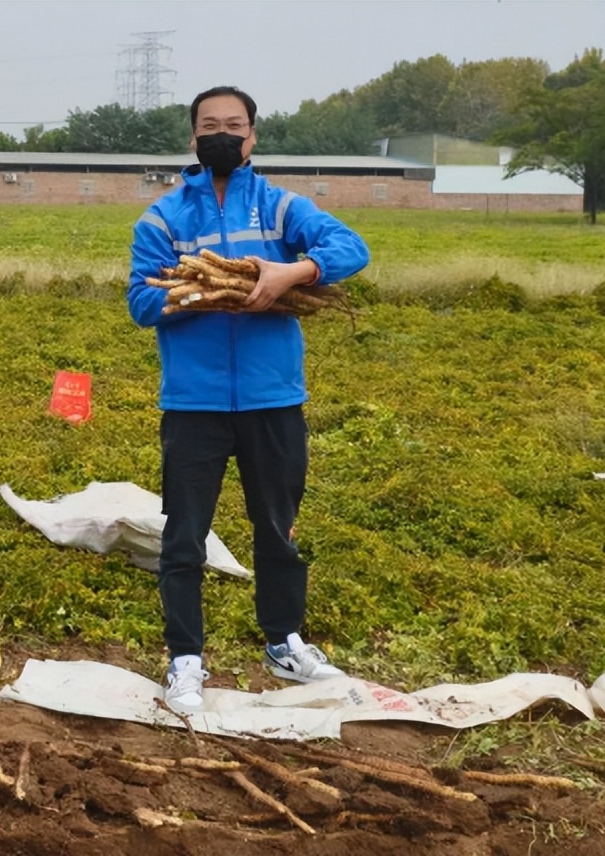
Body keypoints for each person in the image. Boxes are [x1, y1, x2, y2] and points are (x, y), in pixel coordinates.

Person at [127, 85, 370, 712]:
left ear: (253, 135)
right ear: (193, 137)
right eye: (210, 125)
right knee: (183, 538)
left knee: (278, 530)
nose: (222, 135)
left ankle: (284, 641)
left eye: (234, 125)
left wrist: (294, 273)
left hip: (272, 399)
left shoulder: (283, 208)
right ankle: (185, 659)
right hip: (194, 403)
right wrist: (204, 293)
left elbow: (352, 249)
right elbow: (140, 301)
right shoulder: (163, 218)